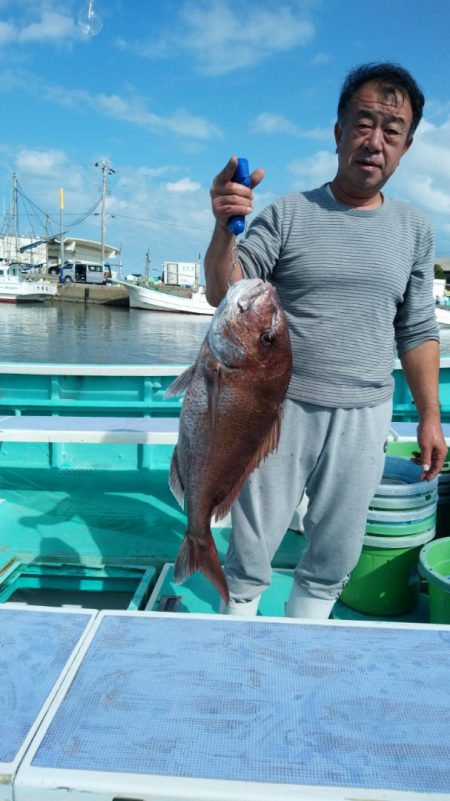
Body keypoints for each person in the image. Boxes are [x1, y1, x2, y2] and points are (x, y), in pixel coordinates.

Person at [204, 62, 448, 619]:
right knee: (250, 551)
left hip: (366, 413)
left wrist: (430, 416)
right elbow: (227, 292)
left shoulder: (415, 230)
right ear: (338, 131)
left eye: (392, 130)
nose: (374, 140)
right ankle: (236, 645)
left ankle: (300, 653)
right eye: (363, 122)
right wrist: (224, 228)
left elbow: (416, 328)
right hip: (275, 409)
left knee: (332, 556)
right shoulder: (289, 215)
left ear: (407, 147)